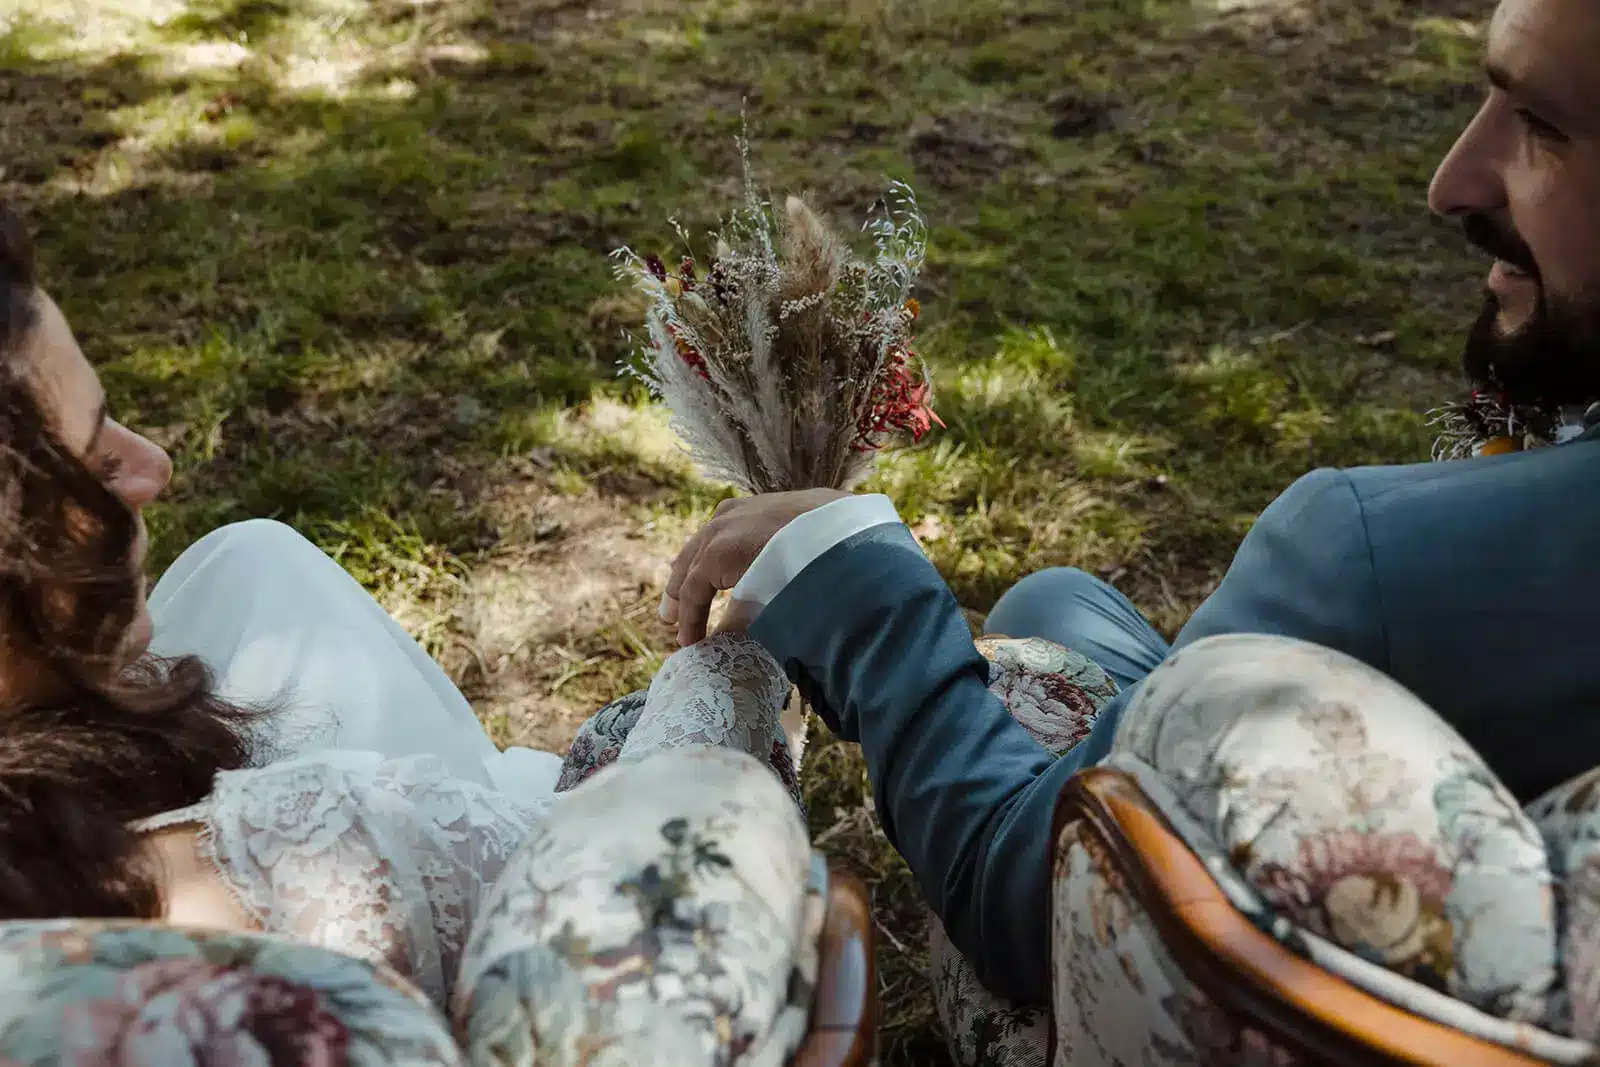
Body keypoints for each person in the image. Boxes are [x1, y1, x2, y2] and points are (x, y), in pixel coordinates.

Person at [659, 0, 1600, 1007]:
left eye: (1541, 126)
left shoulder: (1367, 561)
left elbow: (1039, 898)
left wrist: (850, 580)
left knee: (1042, 643)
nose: (1448, 184)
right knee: (1056, 603)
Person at [0, 201, 804, 1013]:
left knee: (249, 563)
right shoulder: (315, 856)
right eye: (97, 462)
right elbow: (646, 891)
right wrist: (739, 653)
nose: (153, 465)